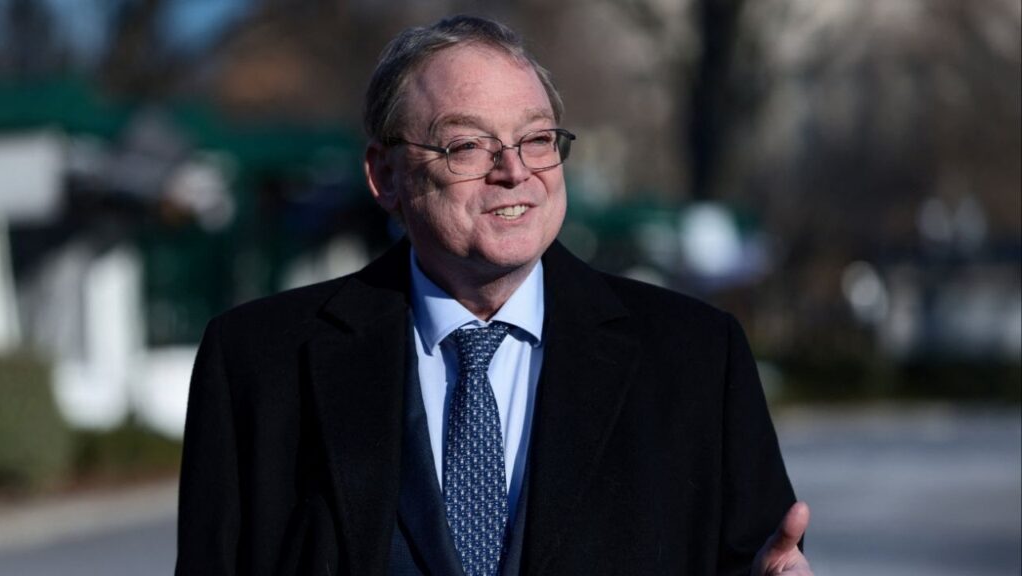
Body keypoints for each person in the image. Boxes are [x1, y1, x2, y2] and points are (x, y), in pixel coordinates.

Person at [175, 15, 814, 576]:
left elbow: (757, 556)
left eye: (536, 138)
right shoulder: (259, 365)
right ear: (385, 175)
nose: (515, 171)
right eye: (467, 145)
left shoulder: (696, 358)